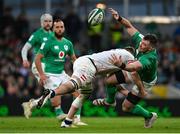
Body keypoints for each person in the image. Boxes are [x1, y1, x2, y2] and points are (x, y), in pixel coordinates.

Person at [36, 47, 146, 128]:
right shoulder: (128, 55)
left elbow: (112, 83)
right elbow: (134, 71)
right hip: (88, 66)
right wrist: (140, 90)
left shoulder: (115, 57)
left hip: (84, 61)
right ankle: (51, 92)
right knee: (75, 83)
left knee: (85, 94)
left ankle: (67, 122)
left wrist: (125, 93)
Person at [93, 8, 158, 128]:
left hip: (145, 81)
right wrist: (119, 18)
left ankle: (149, 116)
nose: (141, 45)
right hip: (134, 72)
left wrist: (121, 65)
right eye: (142, 42)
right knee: (109, 81)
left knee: (126, 107)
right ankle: (110, 101)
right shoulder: (141, 41)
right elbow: (129, 27)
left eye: (144, 45)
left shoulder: (149, 58)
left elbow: (133, 67)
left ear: (151, 48)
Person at [21, 13, 54, 118]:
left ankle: (31, 104)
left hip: (49, 66)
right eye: (46, 21)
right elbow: (25, 48)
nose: (48, 23)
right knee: (52, 89)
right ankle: (60, 113)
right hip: (39, 65)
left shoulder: (53, 35)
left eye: (50, 21)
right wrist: (25, 59)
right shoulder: (37, 35)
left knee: (52, 90)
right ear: (41, 23)